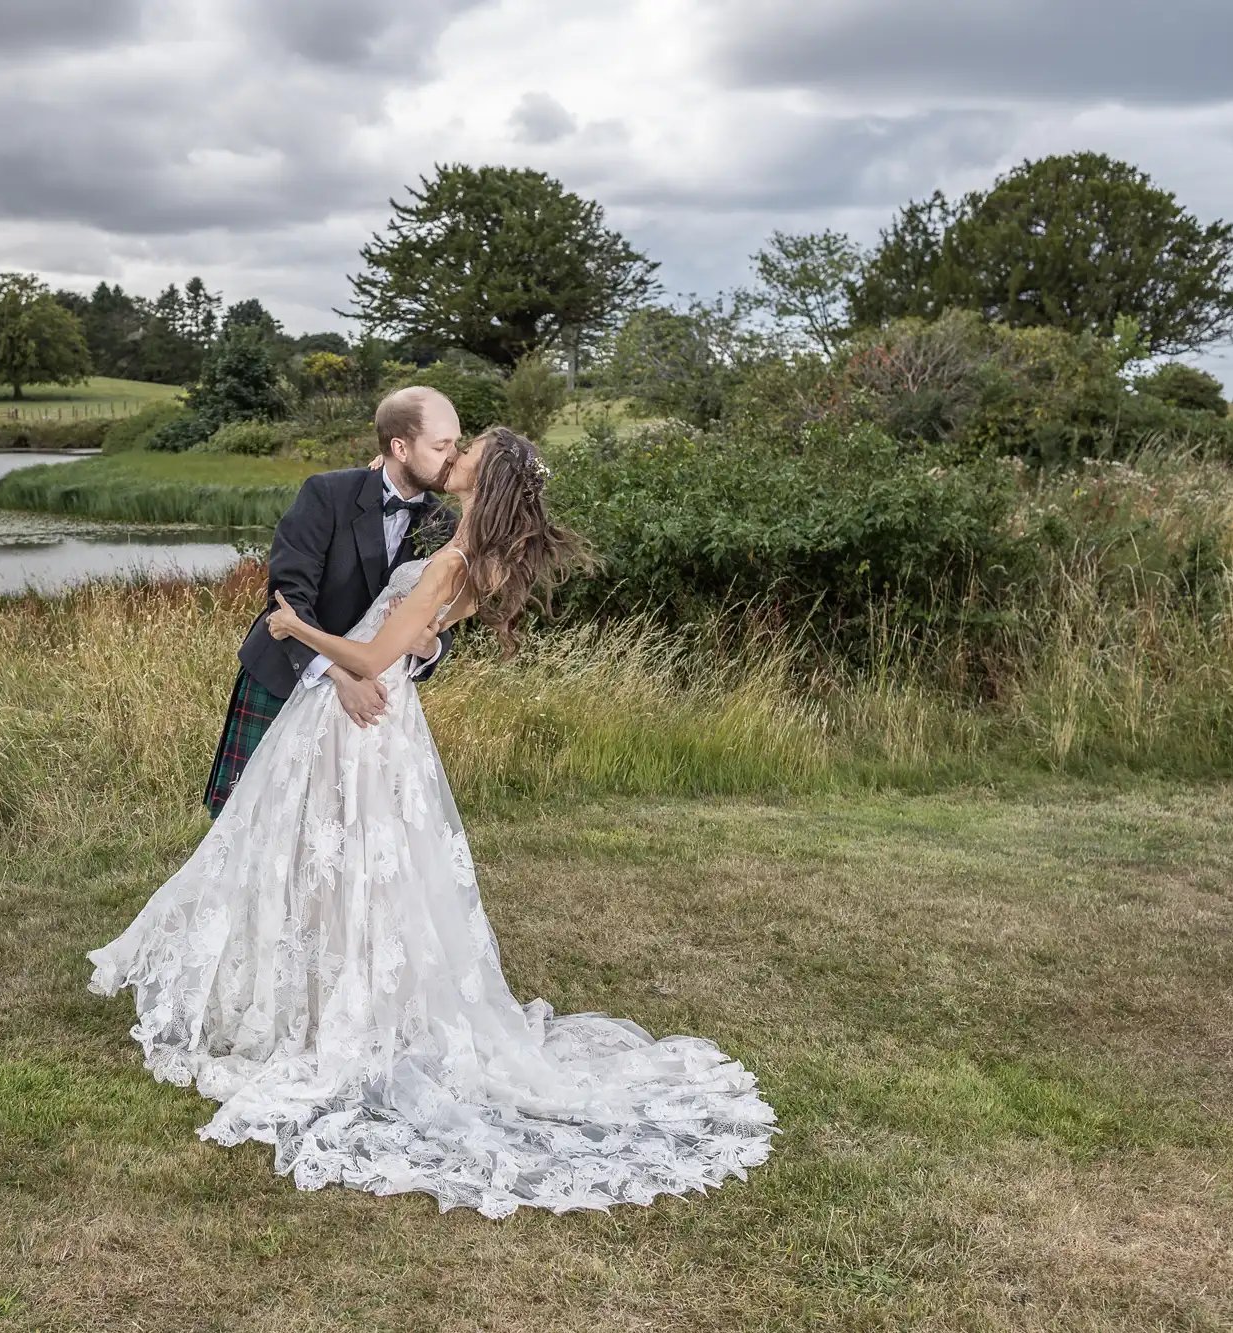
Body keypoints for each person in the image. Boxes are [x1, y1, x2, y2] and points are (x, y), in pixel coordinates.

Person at [89, 426, 776, 1219]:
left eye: (469, 447)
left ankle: (325, 1013)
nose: (456, 454)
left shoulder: (453, 558)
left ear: (486, 473)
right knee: (347, 867)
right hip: (391, 729)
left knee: (328, 859)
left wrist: (293, 629)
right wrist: (410, 643)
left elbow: (377, 656)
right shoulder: (474, 559)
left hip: (358, 724)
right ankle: (323, 997)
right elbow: (413, 642)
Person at [202, 385, 460, 818]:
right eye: (441, 445)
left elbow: (442, 625)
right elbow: (287, 600)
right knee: (250, 820)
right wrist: (341, 675)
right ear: (400, 446)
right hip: (287, 673)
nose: (453, 455)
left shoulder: (443, 524)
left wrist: (428, 646)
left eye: (456, 443)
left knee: (337, 828)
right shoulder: (326, 494)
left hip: (372, 702)